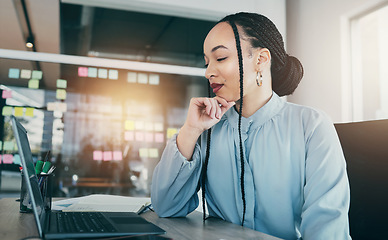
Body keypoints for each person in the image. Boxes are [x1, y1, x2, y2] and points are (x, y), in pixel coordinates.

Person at [151, 12, 351, 240]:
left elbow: (326, 230)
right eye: (207, 63)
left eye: (221, 58)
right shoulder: (208, 130)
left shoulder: (312, 126)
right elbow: (166, 207)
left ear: (261, 59)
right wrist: (190, 130)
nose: (208, 72)